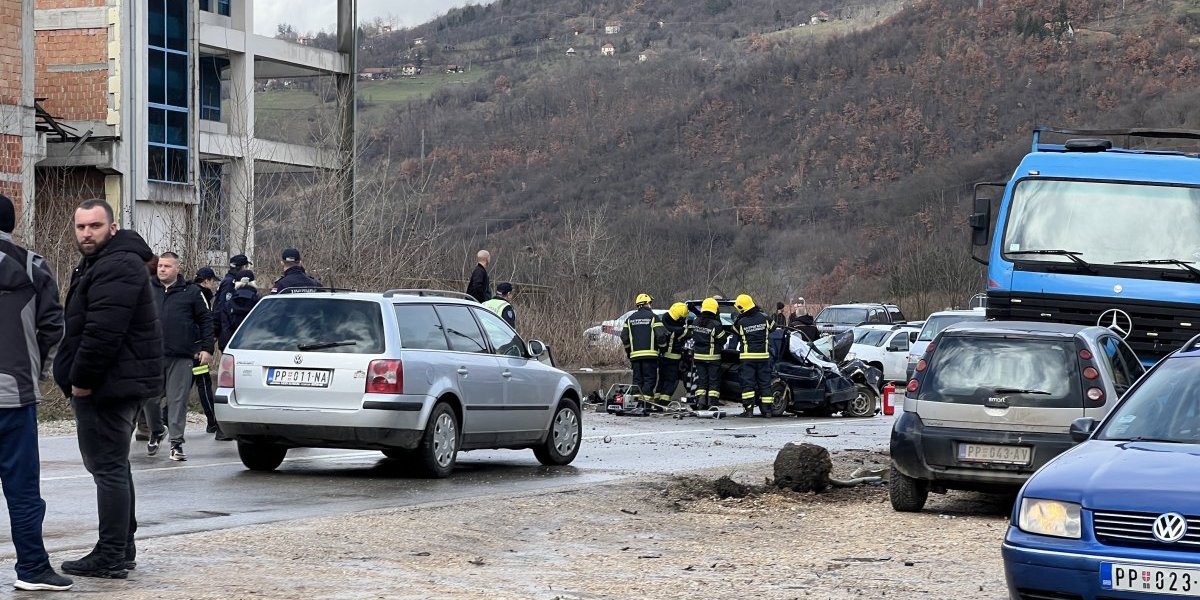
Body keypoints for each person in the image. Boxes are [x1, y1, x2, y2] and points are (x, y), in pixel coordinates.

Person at [54, 199, 163, 580]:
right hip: (117, 381)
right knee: (115, 466)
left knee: (108, 469)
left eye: (95, 226)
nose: (87, 233)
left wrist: (80, 381)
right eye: (81, 227)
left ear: (111, 228)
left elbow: (102, 333)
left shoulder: (116, 265)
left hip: (108, 385)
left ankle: (112, 553)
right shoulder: (106, 262)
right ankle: (121, 547)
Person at [0, 194, 74, 591]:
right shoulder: (31, 265)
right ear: (11, 224)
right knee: (23, 491)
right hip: (15, 396)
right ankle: (32, 568)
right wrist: (39, 372)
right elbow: (53, 328)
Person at [146, 253, 214, 461]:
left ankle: (176, 444)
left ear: (178, 269)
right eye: (160, 266)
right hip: (151, 355)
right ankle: (157, 430)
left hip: (182, 356)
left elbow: (206, 320)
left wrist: (207, 348)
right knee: (149, 399)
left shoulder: (192, 292)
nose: (162, 269)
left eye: (167, 266)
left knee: (177, 401)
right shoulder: (147, 289)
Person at [733, 293, 775, 418]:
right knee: (765, 383)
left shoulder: (740, 322)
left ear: (741, 308)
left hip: (747, 358)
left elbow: (734, 332)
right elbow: (774, 328)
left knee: (748, 384)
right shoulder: (765, 318)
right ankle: (767, 411)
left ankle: (749, 410)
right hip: (763, 357)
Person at [619, 293, 663, 410]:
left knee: (637, 380)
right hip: (650, 356)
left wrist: (629, 351)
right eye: (650, 303)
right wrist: (662, 349)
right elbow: (661, 335)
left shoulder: (629, 319)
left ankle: (635, 404)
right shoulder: (653, 317)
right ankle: (646, 404)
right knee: (649, 379)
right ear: (647, 303)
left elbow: (624, 337)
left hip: (635, 357)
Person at [192, 267, 220, 437]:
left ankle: (163, 419)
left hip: (192, 348)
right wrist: (205, 346)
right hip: (197, 350)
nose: (214, 285)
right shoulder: (199, 295)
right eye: (212, 282)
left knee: (187, 384)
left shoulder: (192, 291)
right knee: (203, 383)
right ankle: (212, 422)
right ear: (206, 281)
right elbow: (204, 322)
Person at [689, 298, 728, 410]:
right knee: (713, 381)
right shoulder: (715, 324)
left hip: (698, 357)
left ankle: (701, 402)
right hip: (712, 357)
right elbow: (723, 339)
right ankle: (712, 403)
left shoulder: (696, 321)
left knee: (702, 380)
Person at [654, 302, 690, 406]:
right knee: (671, 380)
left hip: (662, 357)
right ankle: (664, 402)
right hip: (673, 358)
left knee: (661, 379)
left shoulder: (663, 321)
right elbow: (688, 334)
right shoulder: (679, 331)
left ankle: (657, 399)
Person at [217, 270, 260, 352]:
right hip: (255, 347)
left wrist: (225, 349)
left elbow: (226, 329)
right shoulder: (260, 303)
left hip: (232, 348)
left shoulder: (228, 304)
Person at [213, 254, 251, 318]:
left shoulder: (232, 280)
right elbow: (223, 306)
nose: (247, 269)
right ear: (241, 268)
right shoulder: (230, 282)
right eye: (246, 266)